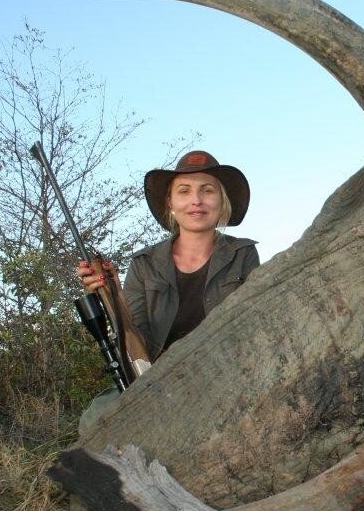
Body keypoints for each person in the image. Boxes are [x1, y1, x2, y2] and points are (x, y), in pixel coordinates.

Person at [78, 150, 259, 361]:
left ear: (222, 201)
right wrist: (113, 293)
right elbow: (137, 348)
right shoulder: (143, 264)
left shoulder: (243, 254)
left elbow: (253, 327)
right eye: (184, 191)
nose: (196, 200)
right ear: (171, 204)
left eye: (207, 190)